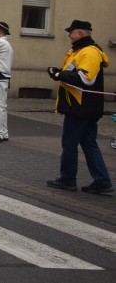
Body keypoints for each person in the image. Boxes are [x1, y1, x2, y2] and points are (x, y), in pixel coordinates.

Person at [45, 20, 113, 194]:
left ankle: (68, 179)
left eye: (72, 32)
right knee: (89, 144)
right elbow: (74, 72)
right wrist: (58, 72)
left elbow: (85, 79)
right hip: (84, 106)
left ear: (81, 33)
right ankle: (102, 181)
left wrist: (60, 74)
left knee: (69, 143)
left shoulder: (89, 52)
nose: (69, 35)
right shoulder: (79, 51)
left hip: (80, 107)